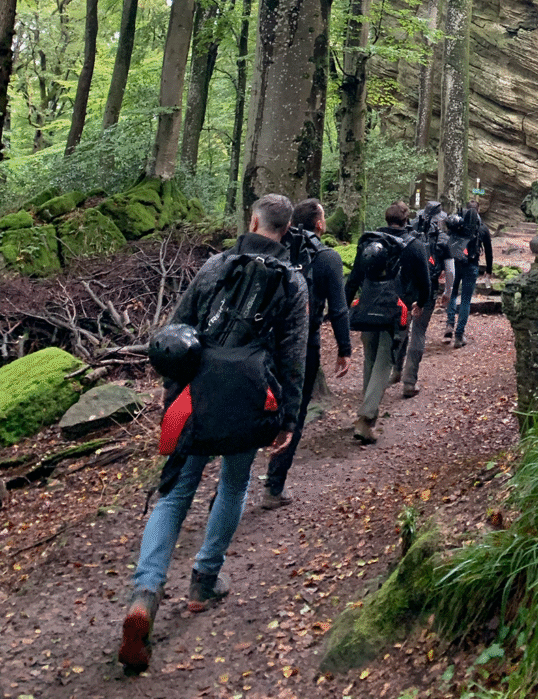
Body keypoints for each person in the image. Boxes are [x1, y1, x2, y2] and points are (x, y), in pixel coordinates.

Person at [119, 194, 308, 672]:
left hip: (194, 395)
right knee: (234, 485)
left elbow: (176, 330)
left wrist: (172, 392)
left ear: (252, 222)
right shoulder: (292, 281)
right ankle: (204, 580)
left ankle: (145, 593)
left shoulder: (215, 266)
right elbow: (293, 354)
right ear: (286, 230)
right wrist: (288, 417)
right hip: (248, 398)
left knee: (175, 494)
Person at [262, 198, 352, 509]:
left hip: (263, 343)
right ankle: (274, 486)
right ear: (319, 224)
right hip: (304, 346)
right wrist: (344, 348)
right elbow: (338, 309)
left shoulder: (272, 250)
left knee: (255, 407)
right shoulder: (327, 258)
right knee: (295, 412)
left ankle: (232, 487)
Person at [345, 201, 430, 444]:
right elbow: (425, 282)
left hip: (367, 309)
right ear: (406, 220)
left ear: (386, 218)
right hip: (396, 312)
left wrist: (344, 308)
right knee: (384, 362)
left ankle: (367, 411)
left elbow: (354, 278)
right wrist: (421, 303)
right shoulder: (414, 245)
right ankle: (366, 418)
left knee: (370, 359)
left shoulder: (371, 242)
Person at [392, 201, 454, 398]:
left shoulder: (408, 234)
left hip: (404, 290)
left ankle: (395, 370)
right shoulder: (443, 239)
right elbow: (450, 270)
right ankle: (409, 382)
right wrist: (448, 292)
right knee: (418, 332)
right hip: (427, 291)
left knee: (402, 328)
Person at [444, 199, 493, 348]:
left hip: (454, 263)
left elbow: (447, 242)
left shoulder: (457, 225)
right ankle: (459, 336)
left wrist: (443, 266)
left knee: (453, 293)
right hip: (471, 265)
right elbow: (489, 251)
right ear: (478, 210)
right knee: (465, 300)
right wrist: (489, 271)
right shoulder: (482, 228)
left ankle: (449, 323)